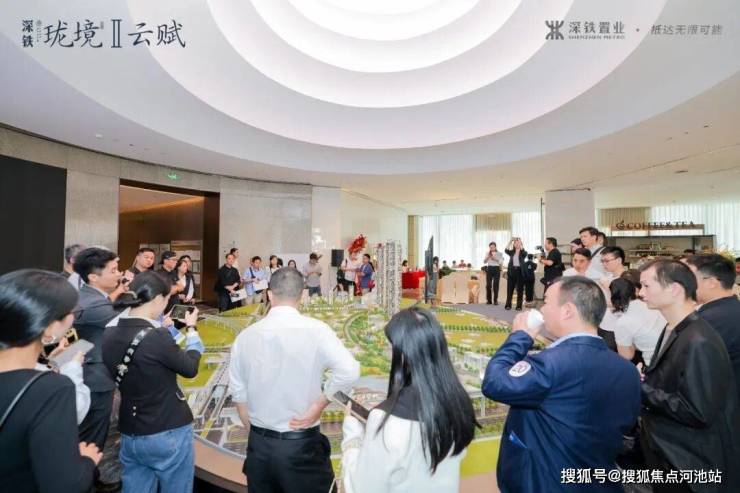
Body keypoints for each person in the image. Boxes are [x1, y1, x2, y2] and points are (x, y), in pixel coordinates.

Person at [482, 276, 640, 492]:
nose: (542, 309)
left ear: (567, 311)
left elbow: (494, 382)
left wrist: (519, 337)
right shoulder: (627, 370)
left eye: (547, 301)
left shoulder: (549, 364)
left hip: (546, 481)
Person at [229, 268, 360, 492]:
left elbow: (239, 395)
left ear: (269, 294)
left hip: (259, 449)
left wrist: (260, 434)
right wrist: (319, 405)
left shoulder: (245, 337)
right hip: (302, 448)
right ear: (302, 295)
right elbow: (350, 370)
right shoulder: (318, 330)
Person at [341, 308, 478, 492]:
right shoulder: (458, 405)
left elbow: (362, 488)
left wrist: (352, 434)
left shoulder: (386, 422)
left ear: (404, 354)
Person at [638, 260, 740, 492]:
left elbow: (697, 411)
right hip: (671, 452)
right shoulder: (675, 328)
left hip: (691, 459)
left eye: (646, 286)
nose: (641, 293)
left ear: (674, 289)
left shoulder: (699, 340)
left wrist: (640, 389)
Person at [0, 269, 101, 493]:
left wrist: (51, 365)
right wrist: (87, 461)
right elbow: (66, 485)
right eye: (71, 312)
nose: (73, 318)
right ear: (50, 327)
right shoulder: (52, 388)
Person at [103, 272, 205, 493]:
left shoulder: (109, 332)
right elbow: (190, 368)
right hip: (167, 429)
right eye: (167, 299)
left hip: (130, 430)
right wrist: (192, 330)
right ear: (158, 298)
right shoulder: (156, 336)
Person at [73, 247, 127, 485]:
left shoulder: (91, 297)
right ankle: (86, 479)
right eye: (113, 270)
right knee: (92, 437)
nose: (119, 274)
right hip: (95, 379)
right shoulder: (94, 305)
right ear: (94, 277)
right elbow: (127, 324)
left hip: (91, 373)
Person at [685, 254, 740, 402]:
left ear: (711, 283)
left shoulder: (709, 320)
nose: (685, 284)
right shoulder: (732, 308)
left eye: (689, 279)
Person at [608, 277, 665, 366]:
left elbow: (627, 356)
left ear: (613, 296)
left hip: (655, 362)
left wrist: (632, 343)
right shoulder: (649, 303)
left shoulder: (623, 322)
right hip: (671, 350)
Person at [504, 237, 527, 310]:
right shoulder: (511, 252)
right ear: (513, 245)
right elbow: (506, 250)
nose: (517, 244)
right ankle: (508, 305)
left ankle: (519, 306)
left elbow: (524, 253)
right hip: (511, 272)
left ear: (521, 244)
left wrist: (521, 242)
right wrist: (510, 241)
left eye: (518, 243)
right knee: (509, 289)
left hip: (520, 272)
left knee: (519, 290)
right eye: (515, 243)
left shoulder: (523, 253)